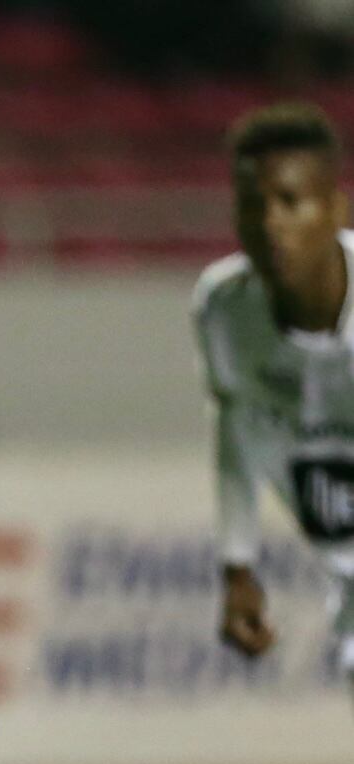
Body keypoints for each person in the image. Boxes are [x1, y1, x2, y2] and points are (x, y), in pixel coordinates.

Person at [196, 103, 354, 700]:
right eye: (252, 204)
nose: (270, 224)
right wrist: (237, 566)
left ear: (335, 212)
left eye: (291, 202)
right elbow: (235, 424)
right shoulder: (223, 308)